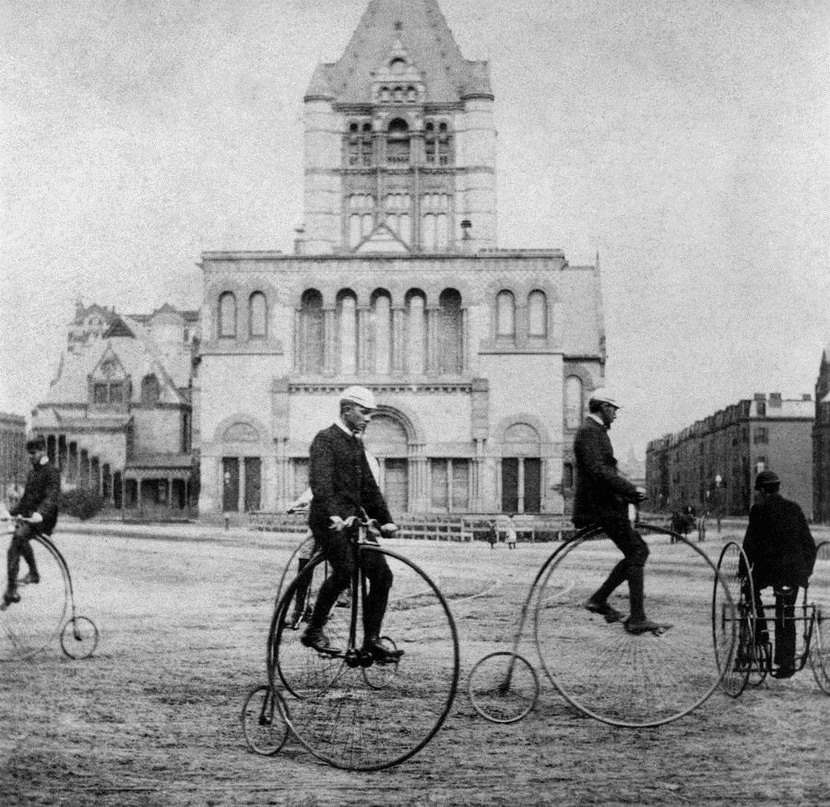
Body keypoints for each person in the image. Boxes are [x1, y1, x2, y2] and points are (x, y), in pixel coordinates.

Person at [301, 386, 402, 662]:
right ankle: (314, 629)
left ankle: (372, 640)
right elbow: (320, 484)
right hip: (328, 520)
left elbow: (369, 487)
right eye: (364, 412)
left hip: (353, 522)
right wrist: (333, 515)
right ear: (346, 410)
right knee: (345, 570)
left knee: (382, 576)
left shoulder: (356, 444)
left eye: (370, 414)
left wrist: (386, 521)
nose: (368, 418)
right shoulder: (325, 439)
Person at [572, 390, 661, 635]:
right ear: (603, 407)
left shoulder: (594, 431)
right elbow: (599, 472)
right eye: (614, 409)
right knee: (637, 551)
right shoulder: (590, 432)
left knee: (638, 550)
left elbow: (605, 471)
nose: (616, 415)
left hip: (605, 504)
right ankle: (636, 617)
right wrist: (630, 489)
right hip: (600, 506)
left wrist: (628, 492)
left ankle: (600, 599)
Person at [742, 470, 817, 679]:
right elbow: (809, 545)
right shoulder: (794, 508)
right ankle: (786, 663)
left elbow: (750, 544)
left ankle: (761, 634)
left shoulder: (758, 510)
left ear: (762, 491)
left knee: (750, 590)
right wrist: (805, 572)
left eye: (758, 492)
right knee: (786, 611)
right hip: (793, 572)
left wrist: (743, 570)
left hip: (768, 570)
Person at [2, 436, 61, 609]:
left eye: (33, 453)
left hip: (45, 519)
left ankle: (30, 575)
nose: (30, 457)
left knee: (20, 536)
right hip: (31, 517)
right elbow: (26, 501)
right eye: (29, 453)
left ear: (43, 451)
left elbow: (52, 497)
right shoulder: (33, 472)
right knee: (14, 546)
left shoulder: (51, 471)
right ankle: (12, 589)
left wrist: (40, 514)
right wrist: (10, 513)